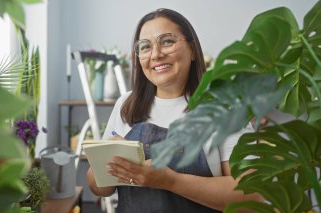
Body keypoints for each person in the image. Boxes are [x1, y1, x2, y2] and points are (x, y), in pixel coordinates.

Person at [87, 8, 261, 212]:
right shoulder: (127, 103)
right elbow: (99, 188)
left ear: (193, 49)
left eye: (167, 41)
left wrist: (171, 181)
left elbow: (250, 197)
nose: (156, 55)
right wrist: (108, 164)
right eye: (145, 47)